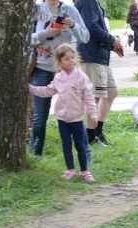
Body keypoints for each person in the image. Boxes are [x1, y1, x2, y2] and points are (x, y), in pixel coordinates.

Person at [28, 44, 98, 182]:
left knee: (81, 145)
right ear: (60, 62)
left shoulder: (81, 77)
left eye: (73, 57)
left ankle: (85, 171)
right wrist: (31, 89)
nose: (71, 60)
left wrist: (93, 114)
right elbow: (48, 91)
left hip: (77, 118)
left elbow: (89, 97)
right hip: (62, 119)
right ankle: (70, 169)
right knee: (66, 144)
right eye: (67, 59)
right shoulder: (58, 78)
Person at [29, 0, 89, 156]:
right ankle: (35, 155)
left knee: (73, 113)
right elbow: (24, 38)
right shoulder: (35, 9)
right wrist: (45, 34)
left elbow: (85, 37)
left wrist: (74, 25)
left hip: (66, 71)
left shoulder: (70, 10)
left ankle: (81, 154)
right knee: (40, 117)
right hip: (41, 67)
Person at [76, 0, 124, 146]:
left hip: (100, 55)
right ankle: (90, 137)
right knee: (94, 97)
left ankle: (98, 131)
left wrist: (111, 44)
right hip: (91, 55)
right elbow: (91, 27)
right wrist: (112, 40)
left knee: (111, 92)